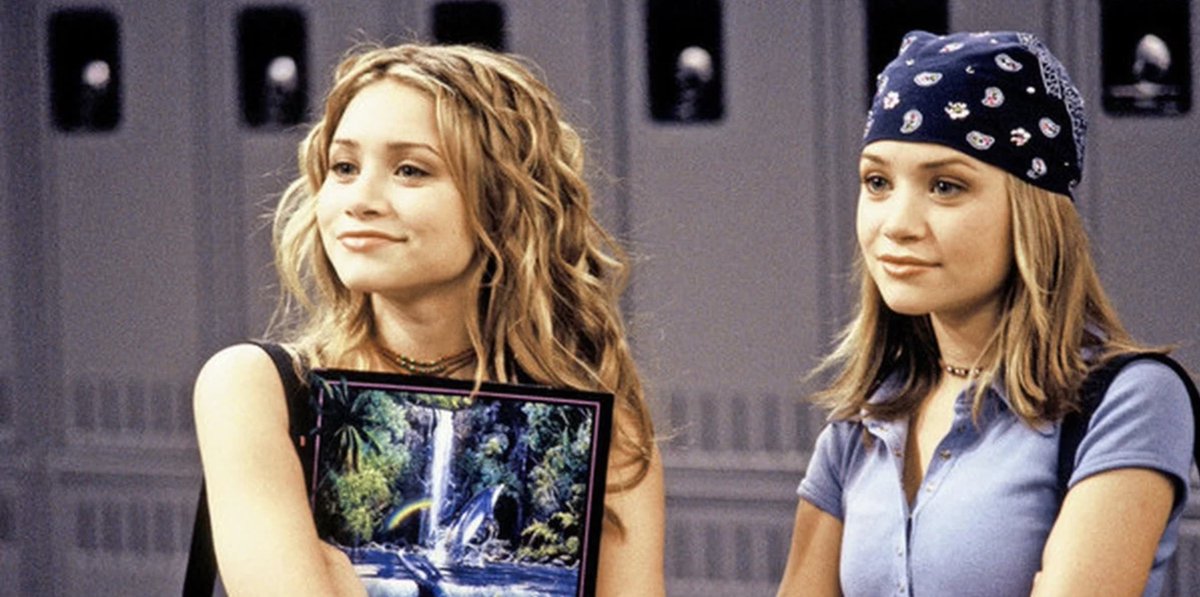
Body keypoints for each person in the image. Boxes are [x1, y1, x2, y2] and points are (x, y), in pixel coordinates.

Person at [193, 42, 665, 596]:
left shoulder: (606, 428)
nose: (359, 199)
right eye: (344, 167)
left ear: (501, 202)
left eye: (410, 170)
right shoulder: (252, 386)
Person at [777, 30, 1194, 596]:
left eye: (945, 186)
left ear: (1032, 212)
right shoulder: (863, 421)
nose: (897, 224)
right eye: (877, 182)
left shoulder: (1128, 399)